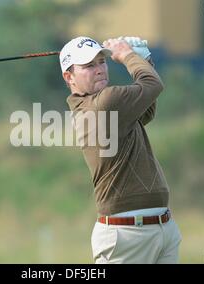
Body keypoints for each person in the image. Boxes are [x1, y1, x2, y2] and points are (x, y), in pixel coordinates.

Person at [60, 36, 182, 264]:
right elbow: (153, 85)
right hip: (125, 234)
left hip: (161, 228)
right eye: (88, 66)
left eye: (101, 62)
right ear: (69, 77)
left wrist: (144, 59)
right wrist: (127, 55)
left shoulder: (104, 104)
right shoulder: (105, 102)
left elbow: (147, 105)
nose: (99, 69)